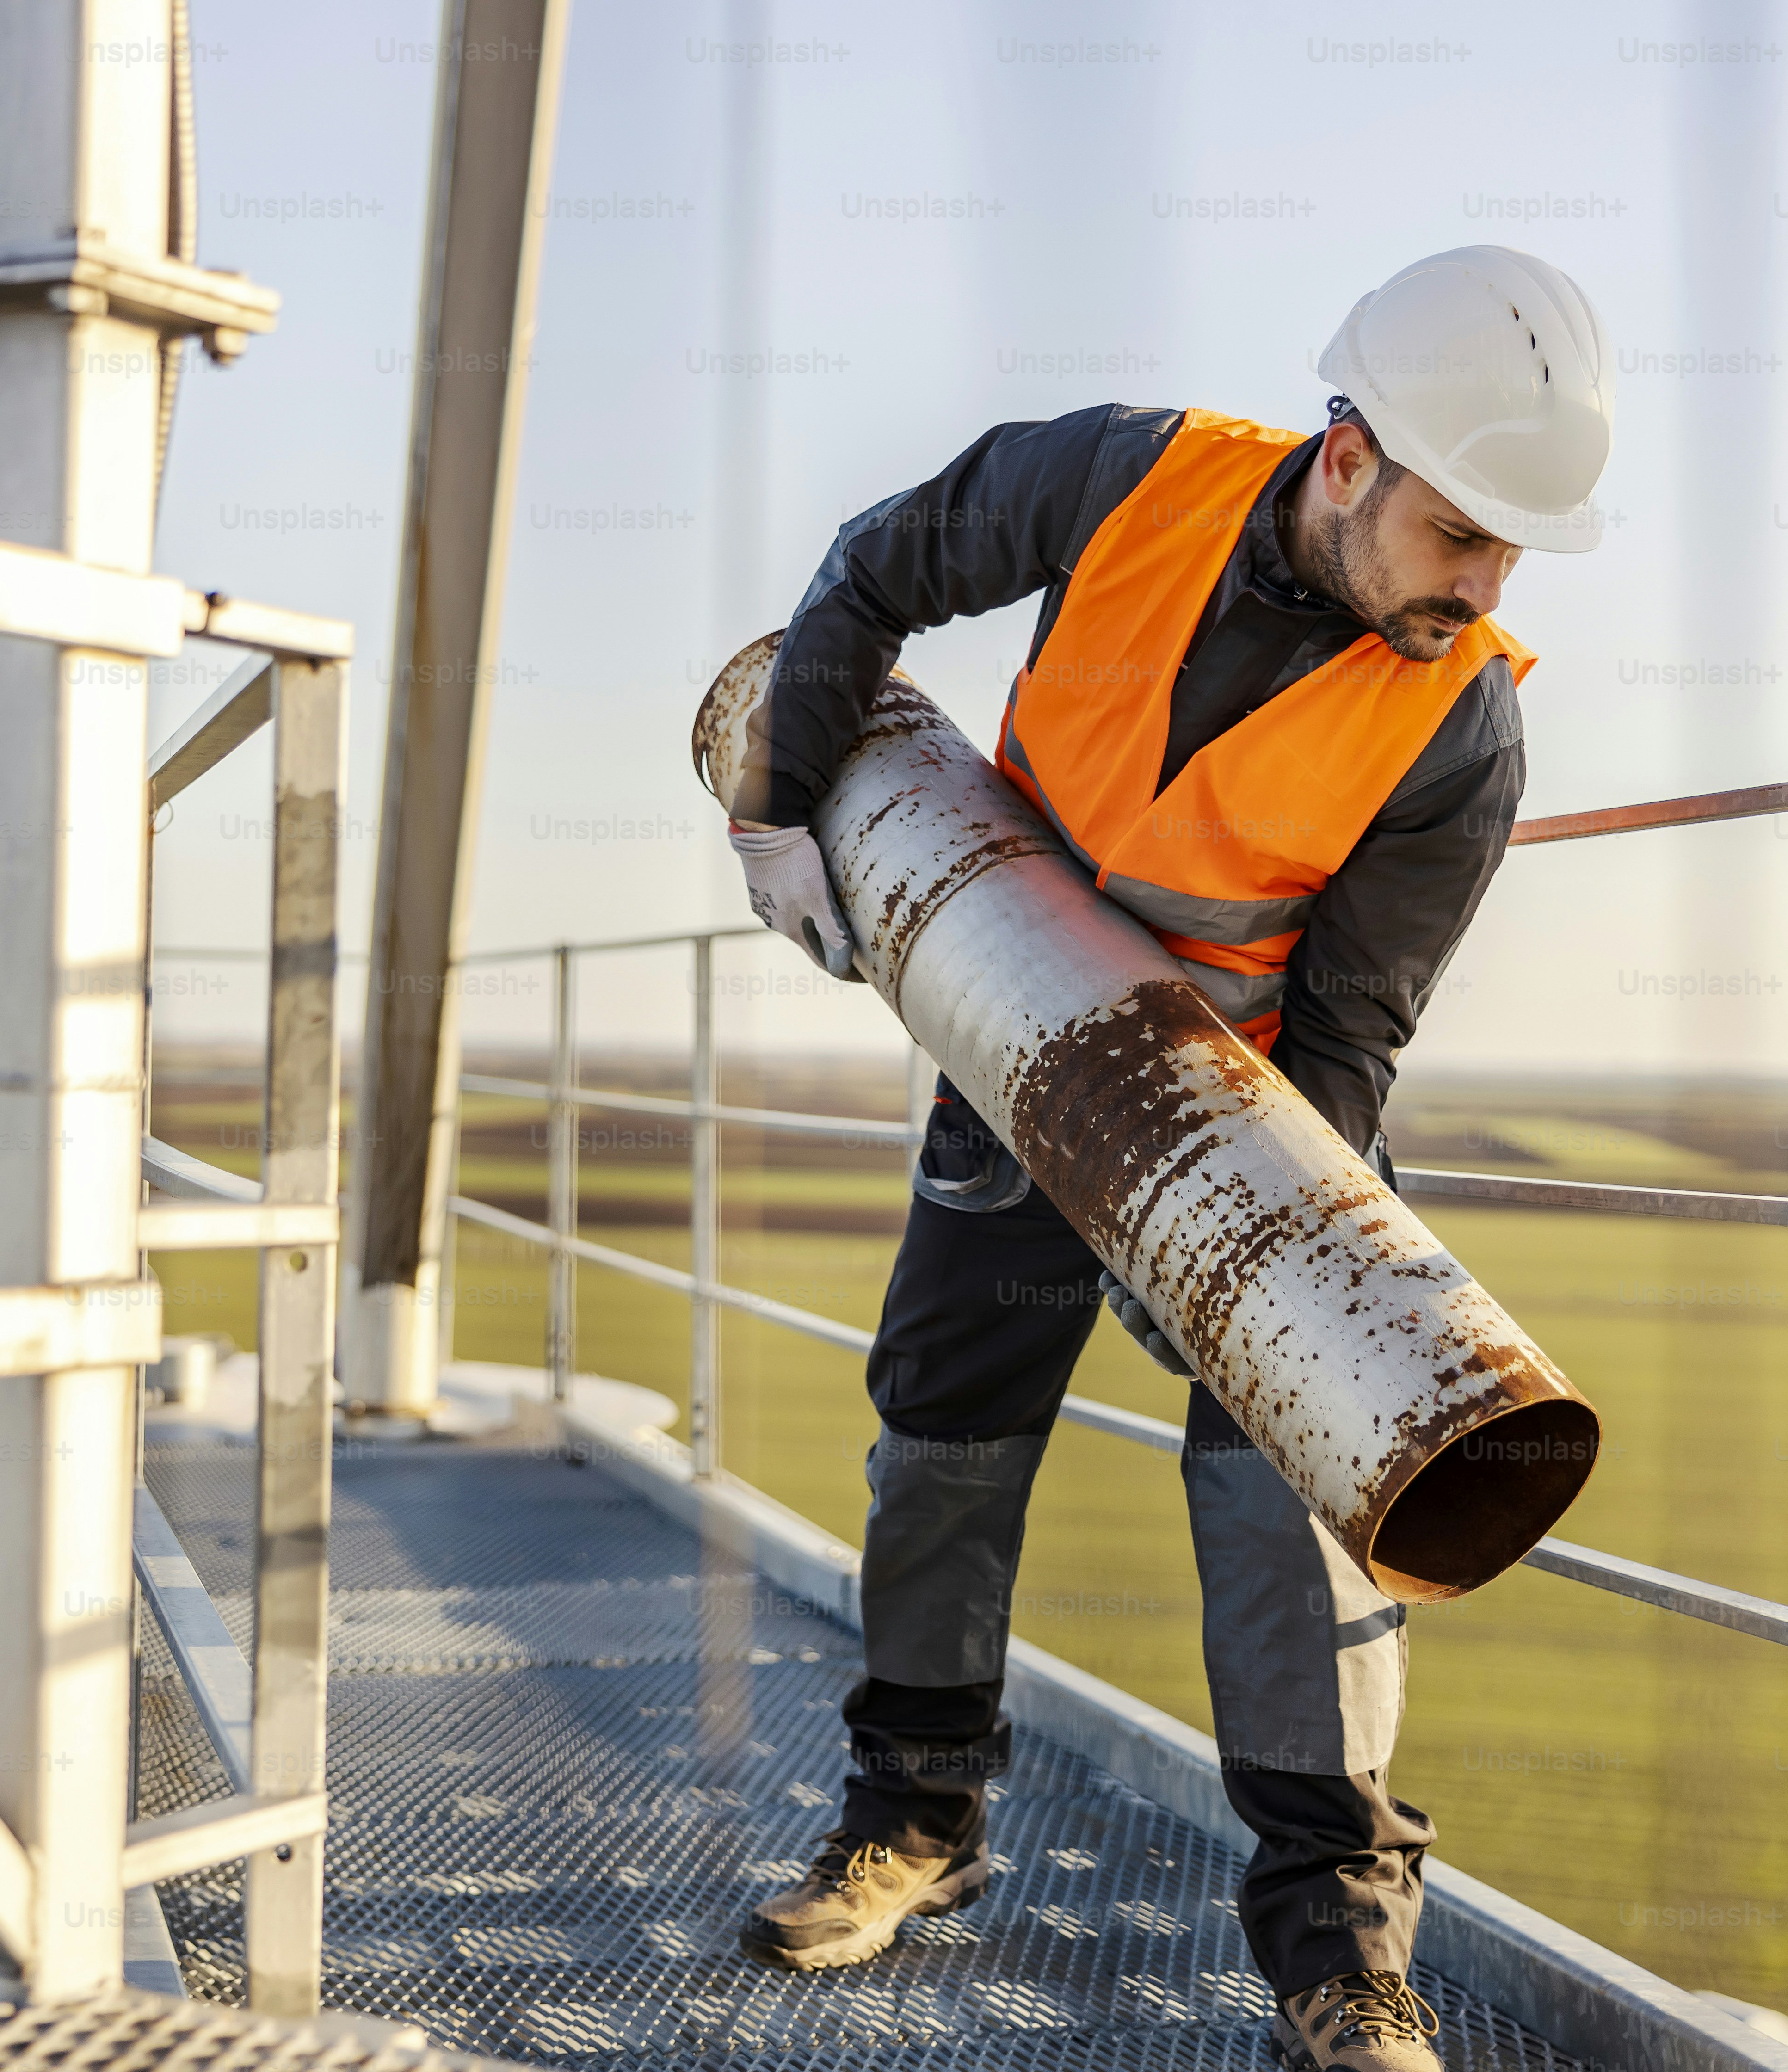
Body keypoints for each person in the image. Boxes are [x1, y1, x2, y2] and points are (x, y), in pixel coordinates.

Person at [717, 247, 1614, 2072]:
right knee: (945, 1434)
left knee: (1289, 1491)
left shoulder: (1463, 723)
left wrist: (1244, 1256)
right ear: (1348, 458)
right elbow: (876, 572)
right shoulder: (1123, 476)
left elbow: (1352, 1030)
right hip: (1011, 1061)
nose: (1482, 585)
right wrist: (779, 805)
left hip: (1250, 1116)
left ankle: (1341, 1957)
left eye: (1513, 551)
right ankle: (917, 1822)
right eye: (1459, 533)